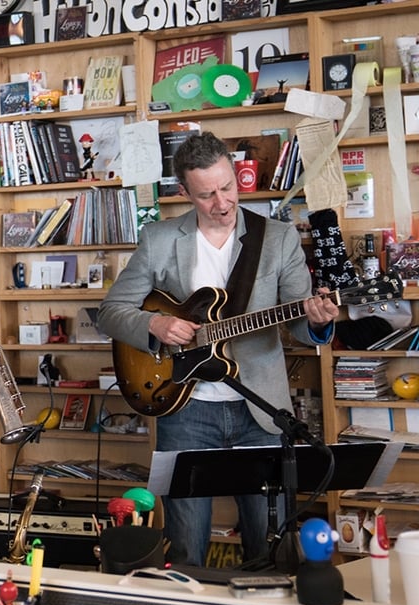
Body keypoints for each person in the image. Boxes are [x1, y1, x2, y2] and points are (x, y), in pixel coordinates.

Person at [97, 132, 338, 566]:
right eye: (206, 195)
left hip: (260, 407)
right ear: (184, 192)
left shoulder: (278, 238)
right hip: (185, 409)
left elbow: (302, 324)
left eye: (228, 187)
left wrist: (318, 321)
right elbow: (111, 312)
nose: (222, 203)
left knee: (272, 544)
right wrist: (155, 323)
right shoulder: (159, 238)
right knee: (186, 544)